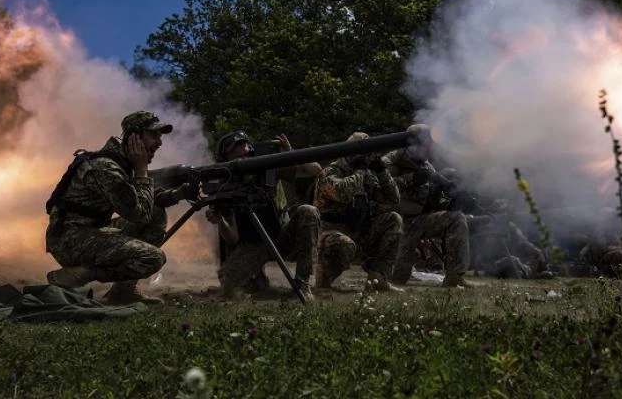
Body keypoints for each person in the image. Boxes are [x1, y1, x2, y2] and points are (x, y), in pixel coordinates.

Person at [44, 111, 187, 305]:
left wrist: (177, 195)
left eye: (160, 137)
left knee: (156, 212)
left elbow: (146, 201)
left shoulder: (121, 164)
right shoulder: (106, 168)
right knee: (153, 258)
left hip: (88, 230)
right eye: (154, 135)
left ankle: (122, 292)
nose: (159, 142)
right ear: (133, 137)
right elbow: (140, 214)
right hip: (69, 239)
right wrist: (141, 170)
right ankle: (84, 273)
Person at [203, 131, 320, 300]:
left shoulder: (270, 170)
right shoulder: (224, 187)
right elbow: (233, 238)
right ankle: (257, 279)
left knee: (308, 211)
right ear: (225, 158)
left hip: (282, 236)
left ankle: (302, 284)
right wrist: (220, 221)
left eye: (247, 153)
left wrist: (291, 153)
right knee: (230, 285)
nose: (244, 158)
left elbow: (314, 170)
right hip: (253, 245)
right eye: (238, 155)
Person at [383, 124, 473, 288]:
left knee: (455, 219)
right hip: (393, 223)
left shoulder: (425, 165)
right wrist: (411, 179)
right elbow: (380, 189)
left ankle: (455, 276)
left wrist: (452, 198)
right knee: (395, 278)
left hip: (417, 221)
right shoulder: (390, 161)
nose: (429, 150)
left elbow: (432, 196)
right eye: (426, 145)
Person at [313, 132, 404, 292]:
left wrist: (382, 172)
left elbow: (393, 200)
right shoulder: (331, 172)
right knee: (342, 244)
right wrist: (360, 170)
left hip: (359, 231)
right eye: (366, 153)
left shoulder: (367, 174)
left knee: (393, 219)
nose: (369, 156)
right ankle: (324, 280)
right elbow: (343, 193)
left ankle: (378, 280)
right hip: (332, 233)